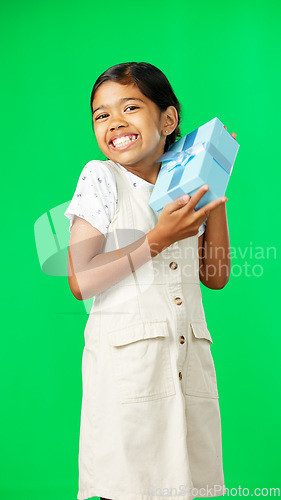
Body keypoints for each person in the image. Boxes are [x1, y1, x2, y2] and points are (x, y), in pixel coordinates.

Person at [64, 62, 237, 500]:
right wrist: (155, 241)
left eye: (130, 107)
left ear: (168, 119)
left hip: (185, 367)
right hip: (127, 377)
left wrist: (213, 187)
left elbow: (214, 277)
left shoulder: (185, 184)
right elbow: (81, 279)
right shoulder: (101, 177)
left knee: (183, 483)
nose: (114, 122)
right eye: (101, 115)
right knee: (130, 484)